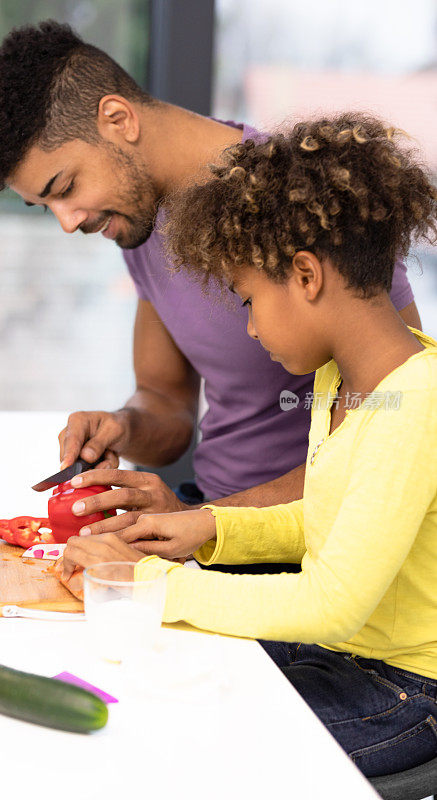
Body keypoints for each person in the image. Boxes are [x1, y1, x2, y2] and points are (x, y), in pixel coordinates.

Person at [57, 114, 437, 777]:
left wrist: (146, 583)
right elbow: (324, 515)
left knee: (175, 747)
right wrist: (205, 528)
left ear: (305, 275)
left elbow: (330, 601)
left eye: (248, 301)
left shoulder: (416, 404)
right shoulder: (342, 379)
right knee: (135, 683)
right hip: (339, 656)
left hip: (399, 691)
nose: (252, 329)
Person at [0, 22, 422, 539]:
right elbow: (167, 403)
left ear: (118, 119)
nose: (68, 221)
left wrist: (209, 524)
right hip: (207, 521)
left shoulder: (300, 197)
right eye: (44, 206)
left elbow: (389, 422)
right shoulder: (133, 222)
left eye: (66, 187)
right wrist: (125, 424)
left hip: (303, 541)